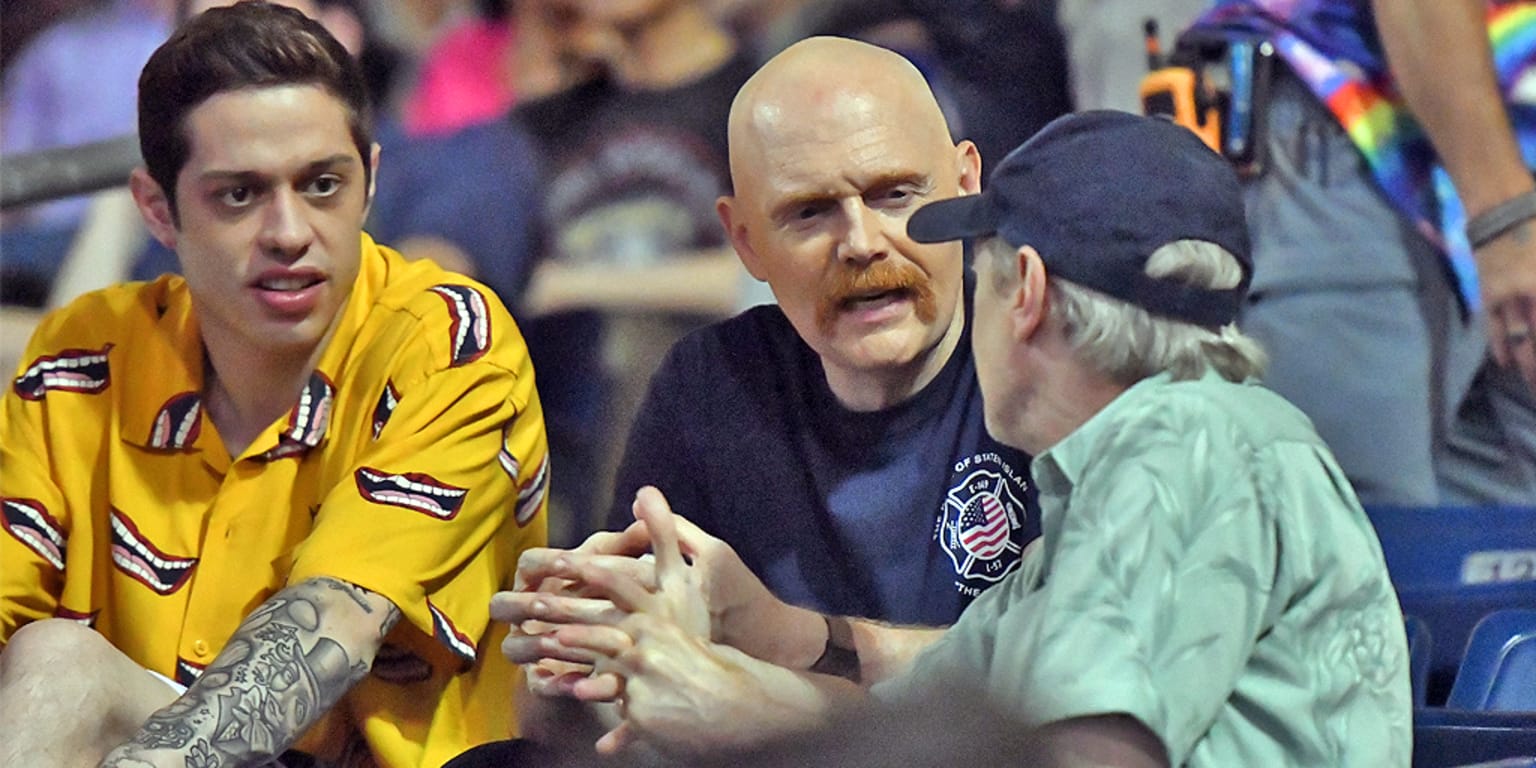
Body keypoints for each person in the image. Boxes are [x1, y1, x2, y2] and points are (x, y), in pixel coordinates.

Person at [500, 111, 1412, 766]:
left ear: (1026, 293)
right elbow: (935, 715)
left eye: (975, 274)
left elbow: (1081, 756)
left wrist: (734, 715)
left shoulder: (1191, 440)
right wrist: (747, 636)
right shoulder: (1110, 480)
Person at [0, 4, 549, 766]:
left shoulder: (446, 342)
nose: (289, 233)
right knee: (56, 666)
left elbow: (333, 627)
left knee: (65, 668)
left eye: (323, 185)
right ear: (158, 210)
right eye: (239, 195)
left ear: (372, 181)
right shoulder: (85, 355)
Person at [1181, 0, 1536, 505]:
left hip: (1498, 169)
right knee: (1341, 542)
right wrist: (1504, 214)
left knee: (1501, 561)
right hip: (1358, 136)